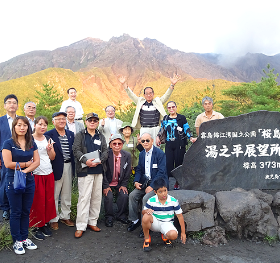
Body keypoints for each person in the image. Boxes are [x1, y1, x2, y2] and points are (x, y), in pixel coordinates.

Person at [2, 116, 40, 254]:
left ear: (28, 128)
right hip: (13, 180)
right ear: (14, 127)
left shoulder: (31, 142)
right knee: (16, 211)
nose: (22, 128)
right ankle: (16, 240)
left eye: (24, 125)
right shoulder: (8, 143)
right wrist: (25, 165)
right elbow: (8, 164)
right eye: (19, 125)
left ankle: (24, 238)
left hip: (28, 179)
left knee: (26, 211)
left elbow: (36, 162)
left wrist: (24, 171)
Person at [118, 74, 180, 145]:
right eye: (146, 93)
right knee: (145, 147)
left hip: (156, 129)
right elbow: (131, 95)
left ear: (153, 94)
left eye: (150, 93)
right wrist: (124, 84)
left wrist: (172, 85)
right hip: (144, 129)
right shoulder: (140, 102)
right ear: (144, 95)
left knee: (156, 147)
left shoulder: (157, 102)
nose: (149, 95)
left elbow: (166, 96)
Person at [72, 112, 108, 238]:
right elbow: (76, 150)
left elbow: (105, 151)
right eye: (90, 120)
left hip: (98, 170)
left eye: (95, 120)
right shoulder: (80, 135)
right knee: (84, 198)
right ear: (86, 122)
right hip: (85, 171)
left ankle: (92, 222)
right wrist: (85, 161)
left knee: (96, 198)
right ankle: (81, 225)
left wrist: (100, 160)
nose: (92, 122)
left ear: (97, 122)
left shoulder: (101, 136)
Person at [127, 133, 168, 236]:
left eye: (147, 140)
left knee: (146, 199)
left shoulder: (159, 153)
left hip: (158, 184)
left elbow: (161, 172)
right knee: (132, 195)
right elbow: (139, 170)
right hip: (145, 182)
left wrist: (152, 186)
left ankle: (145, 225)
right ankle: (134, 220)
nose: (145, 142)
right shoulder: (142, 154)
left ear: (152, 141)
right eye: (143, 141)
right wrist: (136, 181)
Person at [45, 112, 75, 230]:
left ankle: (65, 216)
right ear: (53, 121)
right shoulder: (48, 135)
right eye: (58, 119)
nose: (62, 121)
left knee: (67, 193)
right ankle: (53, 218)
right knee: (54, 194)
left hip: (69, 166)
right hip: (55, 166)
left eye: (63, 119)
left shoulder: (71, 134)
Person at [156, 101, 196, 190]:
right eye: (169, 108)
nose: (171, 109)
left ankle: (178, 183)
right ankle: (168, 183)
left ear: (176, 107)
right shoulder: (165, 118)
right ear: (167, 109)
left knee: (179, 163)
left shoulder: (181, 118)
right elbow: (162, 129)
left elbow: (186, 128)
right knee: (168, 164)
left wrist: (191, 137)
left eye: (173, 107)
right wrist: (158, 137)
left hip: (180, 144)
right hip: (169, 144)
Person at [29, 116, 56, 240]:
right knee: (37, 201)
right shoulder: (29, 139)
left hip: (48, 172)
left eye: (45, 125)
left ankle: (44, 223)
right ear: (34, 125)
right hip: (36, 173)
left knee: (48, 199)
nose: (42, 127)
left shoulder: (48, 139)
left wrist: (50, 150)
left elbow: (52, 157)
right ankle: (35, 225)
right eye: (40, 124)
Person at [142, 177, 186, 252]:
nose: (164, 194)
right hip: (155, 223)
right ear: (155, 192)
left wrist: (183, 232)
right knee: (146, 216)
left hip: (167, 223)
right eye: (160, 192)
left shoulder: (173, 201)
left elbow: (180, 216)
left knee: (174, 235)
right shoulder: (151, 200)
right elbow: (143, 211)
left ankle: (165, 235)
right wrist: (146, 211)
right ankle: (146, 238)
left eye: (165, 190)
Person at [103, 134, 131, 227]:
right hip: (108, 182)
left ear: (122, 145)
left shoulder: (127, 155)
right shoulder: (106, 155)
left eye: (119, 143)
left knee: (124, 195)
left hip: (119, 182)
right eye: (114, 143)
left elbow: (127, 172)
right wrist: (106, 186)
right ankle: (109, 217)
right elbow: (103, 171)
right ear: (110, 145)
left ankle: (121, 215)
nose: (117, 145)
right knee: (109, 196)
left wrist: (124, 184)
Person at [0, 94, 19, 221]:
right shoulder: (0, 121)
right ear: (5, 105)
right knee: (5, 182)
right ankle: (5, 208)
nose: (12, 104)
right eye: (9, 102)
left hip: (20, 155)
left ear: (17, 105)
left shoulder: (22, 120)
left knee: (19, 180)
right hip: (4, 157)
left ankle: (17, 207)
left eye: (14, 102)